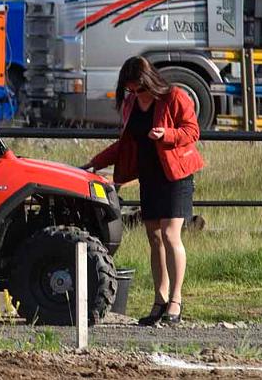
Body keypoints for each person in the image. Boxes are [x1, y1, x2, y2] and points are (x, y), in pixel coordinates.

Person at [82, 56, 204, 326]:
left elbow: (192, 131)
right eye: (131, 90)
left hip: (176, 174)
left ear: (150, 81)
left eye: (140, 89)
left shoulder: (175, 96)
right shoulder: (130, 104)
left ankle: (176, 299)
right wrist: (96, 162)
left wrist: (167, 135)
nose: (136, 94)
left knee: (172, 234)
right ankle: (159, 300)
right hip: (149, 175)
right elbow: (124, 144)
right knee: (155, 237)